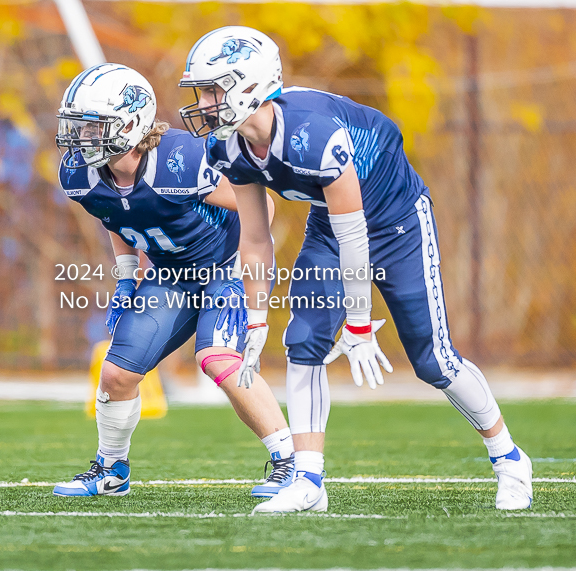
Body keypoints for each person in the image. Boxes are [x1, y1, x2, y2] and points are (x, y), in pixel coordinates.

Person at [179, 26, 533, 513]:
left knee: (433, 360)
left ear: (251, 86)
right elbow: (256, 239)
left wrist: (360, 322)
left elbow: (357, 236)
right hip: (331, 225)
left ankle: (510, 458)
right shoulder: (231, 147)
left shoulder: (313, 136)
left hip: (398, 221)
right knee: (303, 340)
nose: (205, 103)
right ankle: (308, 480)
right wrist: (256, 318)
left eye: (214, 90)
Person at [52, 64, 294, 498]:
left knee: (219, 358)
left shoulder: (181, 162)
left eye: (93, 126)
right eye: (78, 126)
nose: (80, 137)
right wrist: (127, 278)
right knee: (117, 373)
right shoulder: (81, 174)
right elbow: (115, 216)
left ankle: (288, 462)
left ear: (130, 123)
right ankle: (111, 470)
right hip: (170, 274)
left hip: (223, 265)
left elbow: (262, 211)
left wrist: (245, 272)